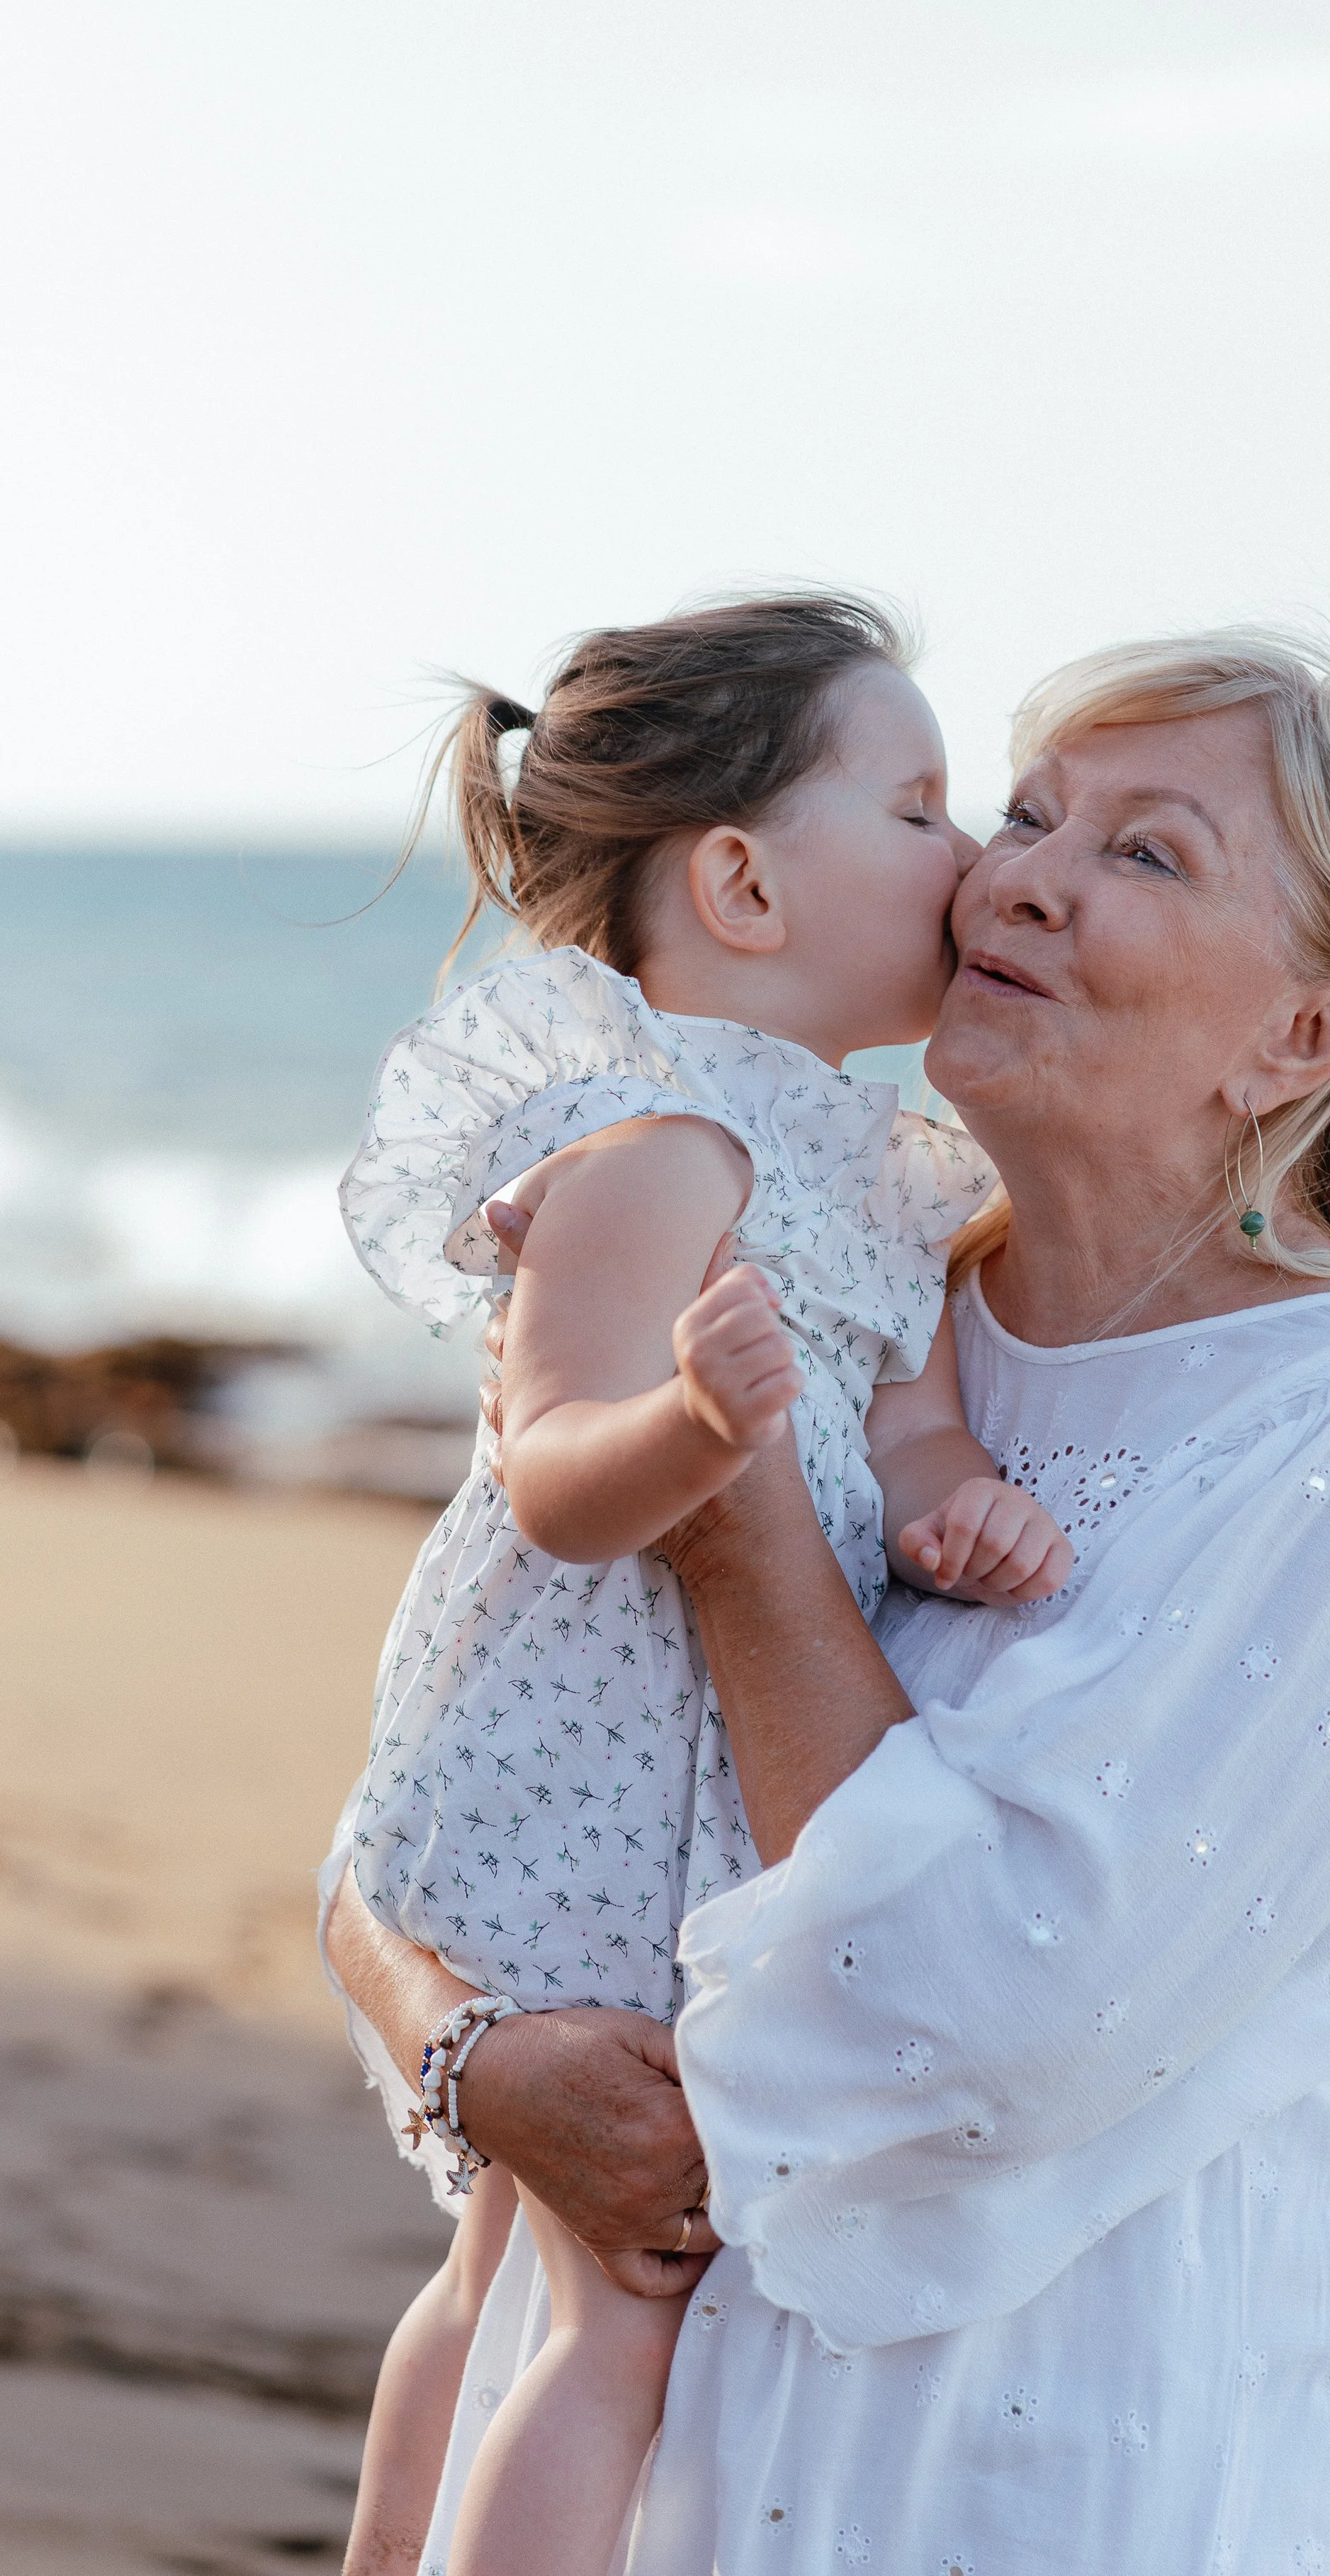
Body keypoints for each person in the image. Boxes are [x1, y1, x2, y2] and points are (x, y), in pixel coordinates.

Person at [327, 623, 1330, 2575]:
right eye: (1021, 813)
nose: (1018, 868)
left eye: (1146, 854)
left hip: (1050, 2475)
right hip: (648, 2462)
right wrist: (475, 2056)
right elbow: (434, 1797)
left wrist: (734, 1506)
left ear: (1302, 1036)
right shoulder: (833, 1280)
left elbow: (968, 2018)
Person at [331, 593, 1069, 2576]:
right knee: (608, 2300)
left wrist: (957, 1511)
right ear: (739, 876)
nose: (977, 856)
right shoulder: (659, 1148)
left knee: (519, 2259)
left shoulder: (872, 1173)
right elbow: (552, 1468)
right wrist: (687, 1432)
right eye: (918, 809)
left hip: (691, 1786)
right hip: (582, 1769)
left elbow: (910, 1429)